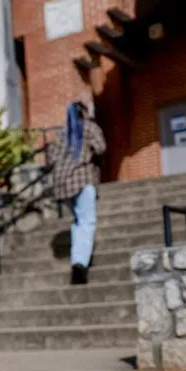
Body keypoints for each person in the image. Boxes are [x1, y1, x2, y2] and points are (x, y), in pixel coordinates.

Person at [49, 93, 106, 285]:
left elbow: (50, 158)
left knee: (78, 222)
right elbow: (101, 148)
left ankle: (78, 259)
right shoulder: (88, 128)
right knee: (87, 222)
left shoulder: (61, 133)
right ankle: (79, 264)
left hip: (63, 186)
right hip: (82, 180)